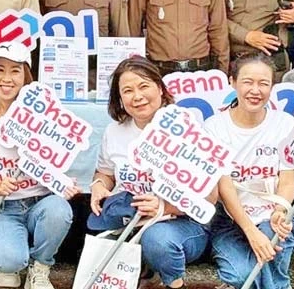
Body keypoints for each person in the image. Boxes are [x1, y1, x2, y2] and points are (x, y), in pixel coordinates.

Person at [0, 42, 77, 289]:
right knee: (9, 262)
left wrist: (64, 182)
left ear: (26, 76)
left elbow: (58, 162)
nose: (7, 78)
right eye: (0, 70)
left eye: (15, 71)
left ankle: (41, 266)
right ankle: (11, 262)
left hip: (41, 201)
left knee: (59, 210)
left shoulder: (46, 118)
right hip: (3, 208)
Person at [89, 56, 212, 289]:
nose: (137, 96)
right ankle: (144, 270)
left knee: (157, 240)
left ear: (160, 88)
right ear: (119, 98)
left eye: (144, 86)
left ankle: (174, 283)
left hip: (180, 222)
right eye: (127, 91)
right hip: (129, 217)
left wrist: (164, 207)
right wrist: (98, 185)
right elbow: (105, 172)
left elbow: (210, 196)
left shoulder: (187, 128)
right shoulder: (114, 131)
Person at [205, 55, 294, 289]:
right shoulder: (214, 127)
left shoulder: (285, 124)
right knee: (240, 276)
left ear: (272, 87)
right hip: (230, 220)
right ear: (232, 82)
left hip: (272, 213)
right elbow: (224, 186)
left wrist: (280, 211)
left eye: (263, 83)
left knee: (274, 238)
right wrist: (250, 231)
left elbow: (288, 180)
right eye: (247, 82)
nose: (255, 90)